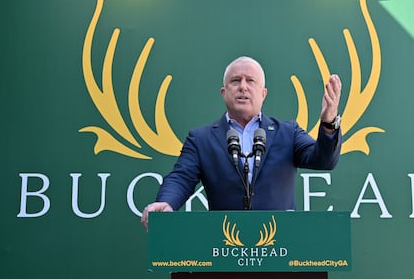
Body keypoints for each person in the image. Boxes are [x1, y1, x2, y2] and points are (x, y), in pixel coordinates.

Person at [141, 56, 342, 230]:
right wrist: (166, 202)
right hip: (223, 248)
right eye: (235, 81)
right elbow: (181, 177)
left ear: (263, 93)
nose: (243, 87)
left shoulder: (287, 133)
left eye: (250, 81)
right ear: (224, 92)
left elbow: (323, 160)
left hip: (280, 249)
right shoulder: (201, 139)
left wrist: (329, 123)